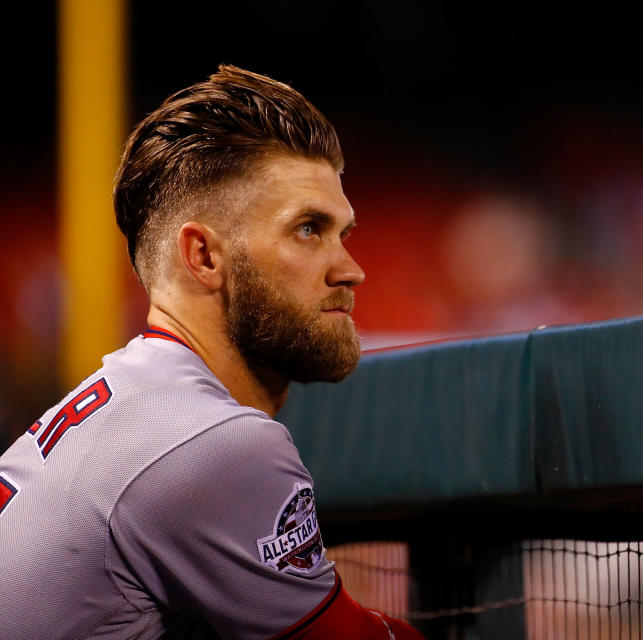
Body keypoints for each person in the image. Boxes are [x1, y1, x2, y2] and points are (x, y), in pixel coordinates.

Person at [0, 65, 424, 640]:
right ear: (203, 256)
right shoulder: (211, 442)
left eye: (342, 234)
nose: (352, 269)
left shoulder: (131, 405)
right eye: (307, 229)